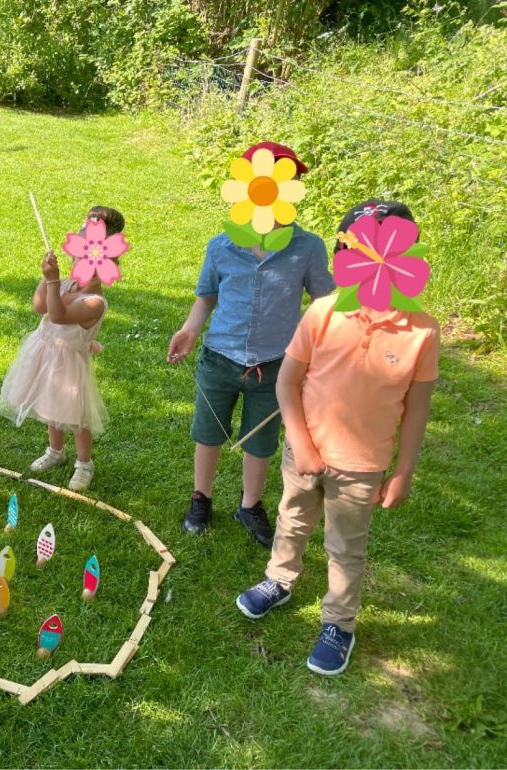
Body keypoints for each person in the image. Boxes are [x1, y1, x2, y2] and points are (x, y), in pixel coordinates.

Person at [236, 200, 439, 675]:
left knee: (346, 546)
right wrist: (302, 443)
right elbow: (288, 383)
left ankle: (339, 623)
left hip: (362, 466)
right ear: (344, 256)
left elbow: (417, 410)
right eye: (359, 251)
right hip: (304, 450)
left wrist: (403, 471)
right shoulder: (323, 312)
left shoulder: (422, 332)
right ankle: (279, 579)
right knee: (291, 519)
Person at [167, 142, 335, 546]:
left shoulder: (307, 247)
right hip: (220, 358)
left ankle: (250, 505)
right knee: (208, 431)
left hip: (276, 365)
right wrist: (190, 330)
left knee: (260, 440)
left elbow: (323, 301)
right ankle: (201, 497)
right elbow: (207, 296)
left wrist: (321, 347)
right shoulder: (221, 246)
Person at [0, 206, 123, 492]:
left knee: (76, 417)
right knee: (50, 404)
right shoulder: (66, 285)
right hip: (45, 353)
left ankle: (84, 463)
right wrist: (48, 279)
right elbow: (40, 307)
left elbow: (58, 316)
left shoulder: (94, 302)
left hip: (68, 363)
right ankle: (55, 451)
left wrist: (53, 282)